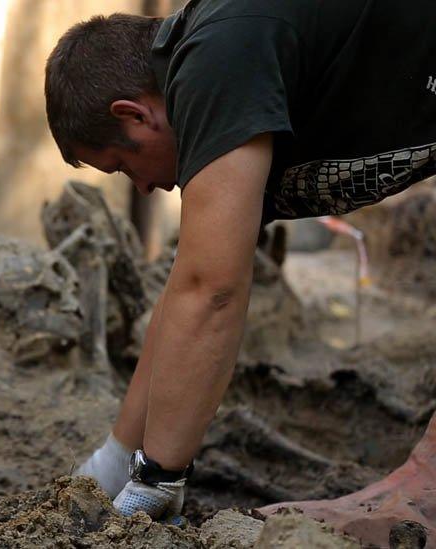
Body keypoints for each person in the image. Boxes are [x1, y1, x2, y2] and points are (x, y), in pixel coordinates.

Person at [44, 0, 436, 543]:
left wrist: (158, 479)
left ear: (133, 114)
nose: (140, 187)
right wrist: (114, 461)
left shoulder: (218, 58)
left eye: (123, 166)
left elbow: (214, 293)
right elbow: (189, 289)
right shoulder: (230, 64)